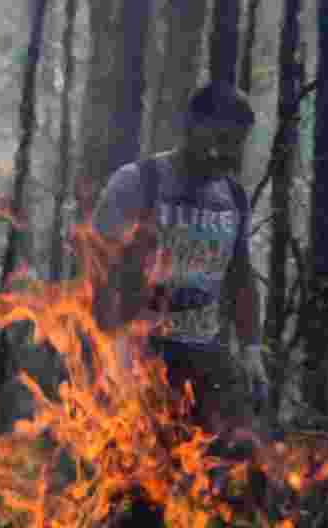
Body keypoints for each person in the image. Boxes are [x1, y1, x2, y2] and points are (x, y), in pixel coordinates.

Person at [90, 80, 267, 446]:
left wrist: (251, 350)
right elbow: (99, 274)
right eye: (220, 140)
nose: (227, 155)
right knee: (138, 480)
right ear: (192, 125)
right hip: (143, 353)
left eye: (236, 145)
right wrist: (114, 351)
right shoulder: (137, 183)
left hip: (205, 357)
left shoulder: (233, 196)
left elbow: (240, 275)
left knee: (215, 477)